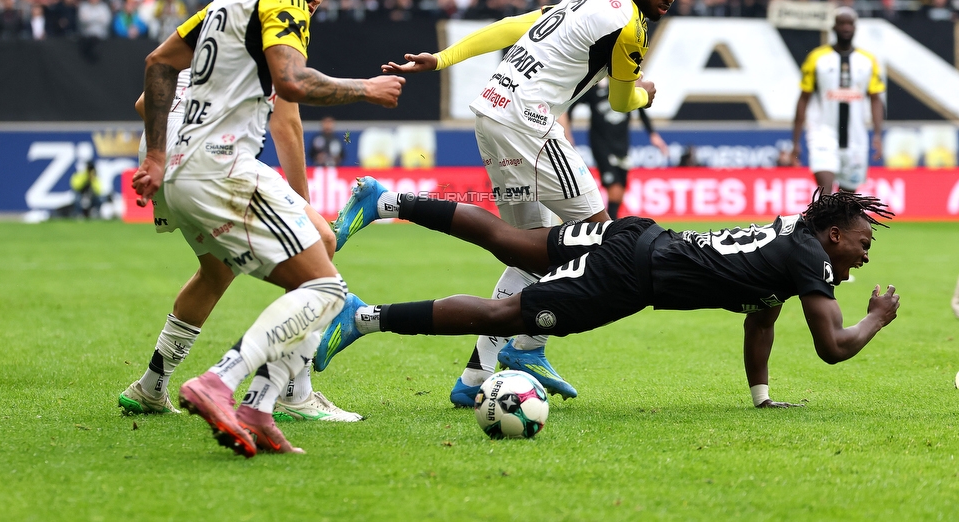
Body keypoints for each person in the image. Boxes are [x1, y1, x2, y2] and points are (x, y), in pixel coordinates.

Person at [339, 0, 686, 407]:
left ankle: (474, 377)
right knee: (604, 242)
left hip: (492, 108)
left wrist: (441, 59)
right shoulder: (631, 27)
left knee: (529, 251)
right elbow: (622, 102)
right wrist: (645, 91)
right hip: (528, 120)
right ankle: (527, 347)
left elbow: (512, 27)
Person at [131, 0, 405, 457]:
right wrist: (366, 88)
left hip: (184, 170)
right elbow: (293, 83)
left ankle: (260, 402)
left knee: (315, 251)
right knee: (325, 290)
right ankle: (220, 383)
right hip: (221, 168)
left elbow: (158, 64)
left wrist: (156, 157)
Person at [318, 182, 900, 409]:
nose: (866, 252)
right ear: (833, 235)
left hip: (635, 232)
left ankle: (387, 202)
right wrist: (875, 317)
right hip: (629, 275)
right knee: (504, 313)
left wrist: (760, 396)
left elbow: (760, 320)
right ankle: (362, 318)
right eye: (862, 240)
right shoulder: (810, 259)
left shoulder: (790, 241)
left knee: (512, 243)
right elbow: (832, 347)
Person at [119, 0, 360, 424]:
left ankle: (151, 385)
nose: (318, 1)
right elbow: (287, 125)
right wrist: (303, 211)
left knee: (215, 274)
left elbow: (146, 99)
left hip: (174, 166)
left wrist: (159, 153)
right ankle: (293, 391)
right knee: (323, 248)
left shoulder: (228, 7)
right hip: (214, 164)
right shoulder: (280, 18)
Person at [785, 8, 885, 194]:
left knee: (847, 202)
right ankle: (819, 220)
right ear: (834, 27)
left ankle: (835, 223)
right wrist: (796, 141)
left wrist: (878, 135)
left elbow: (876, 99)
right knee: (825, 194)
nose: (846, 28)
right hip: (823, 132)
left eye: (850, 24)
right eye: (842, 23)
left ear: (855, 28)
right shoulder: (817, 58)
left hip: (856, 137)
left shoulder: (868, 60)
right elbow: (803, 98)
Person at [564, 85, 668, 220]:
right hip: (601, 146)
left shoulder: (625, 86)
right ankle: (610, 229)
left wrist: (653, 134)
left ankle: (607, 225)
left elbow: (642, 110)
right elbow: (571, 106)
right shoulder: (593, 88)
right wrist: (567, 133)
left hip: (621, 146)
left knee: (619, 194)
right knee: (614, 191)